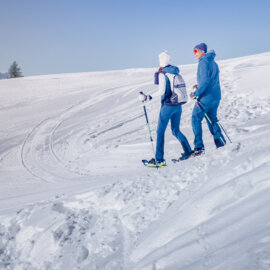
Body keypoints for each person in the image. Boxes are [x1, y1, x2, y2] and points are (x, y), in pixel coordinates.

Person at [147, 51, 193, 166]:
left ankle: (159, 159)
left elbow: (162, 91)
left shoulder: (163, 74)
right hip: (178, 106)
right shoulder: (175, 72)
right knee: (175, 130)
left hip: (167, 106)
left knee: (160, 131)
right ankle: (188, 151)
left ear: (161, 62)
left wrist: (149, 96)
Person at [190, 43, 226, 155]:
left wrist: (196, 93)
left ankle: (199, 147)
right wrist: (199, 85)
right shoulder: (213, 62)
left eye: (196, 51)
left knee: (195, 118)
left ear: (202, 51)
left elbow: (205, 81)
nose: (194, 54)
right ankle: (220, 142)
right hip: (215, 96)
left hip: (206, 97)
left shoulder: (203, 62)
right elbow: (210, 80)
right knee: (212, 120)